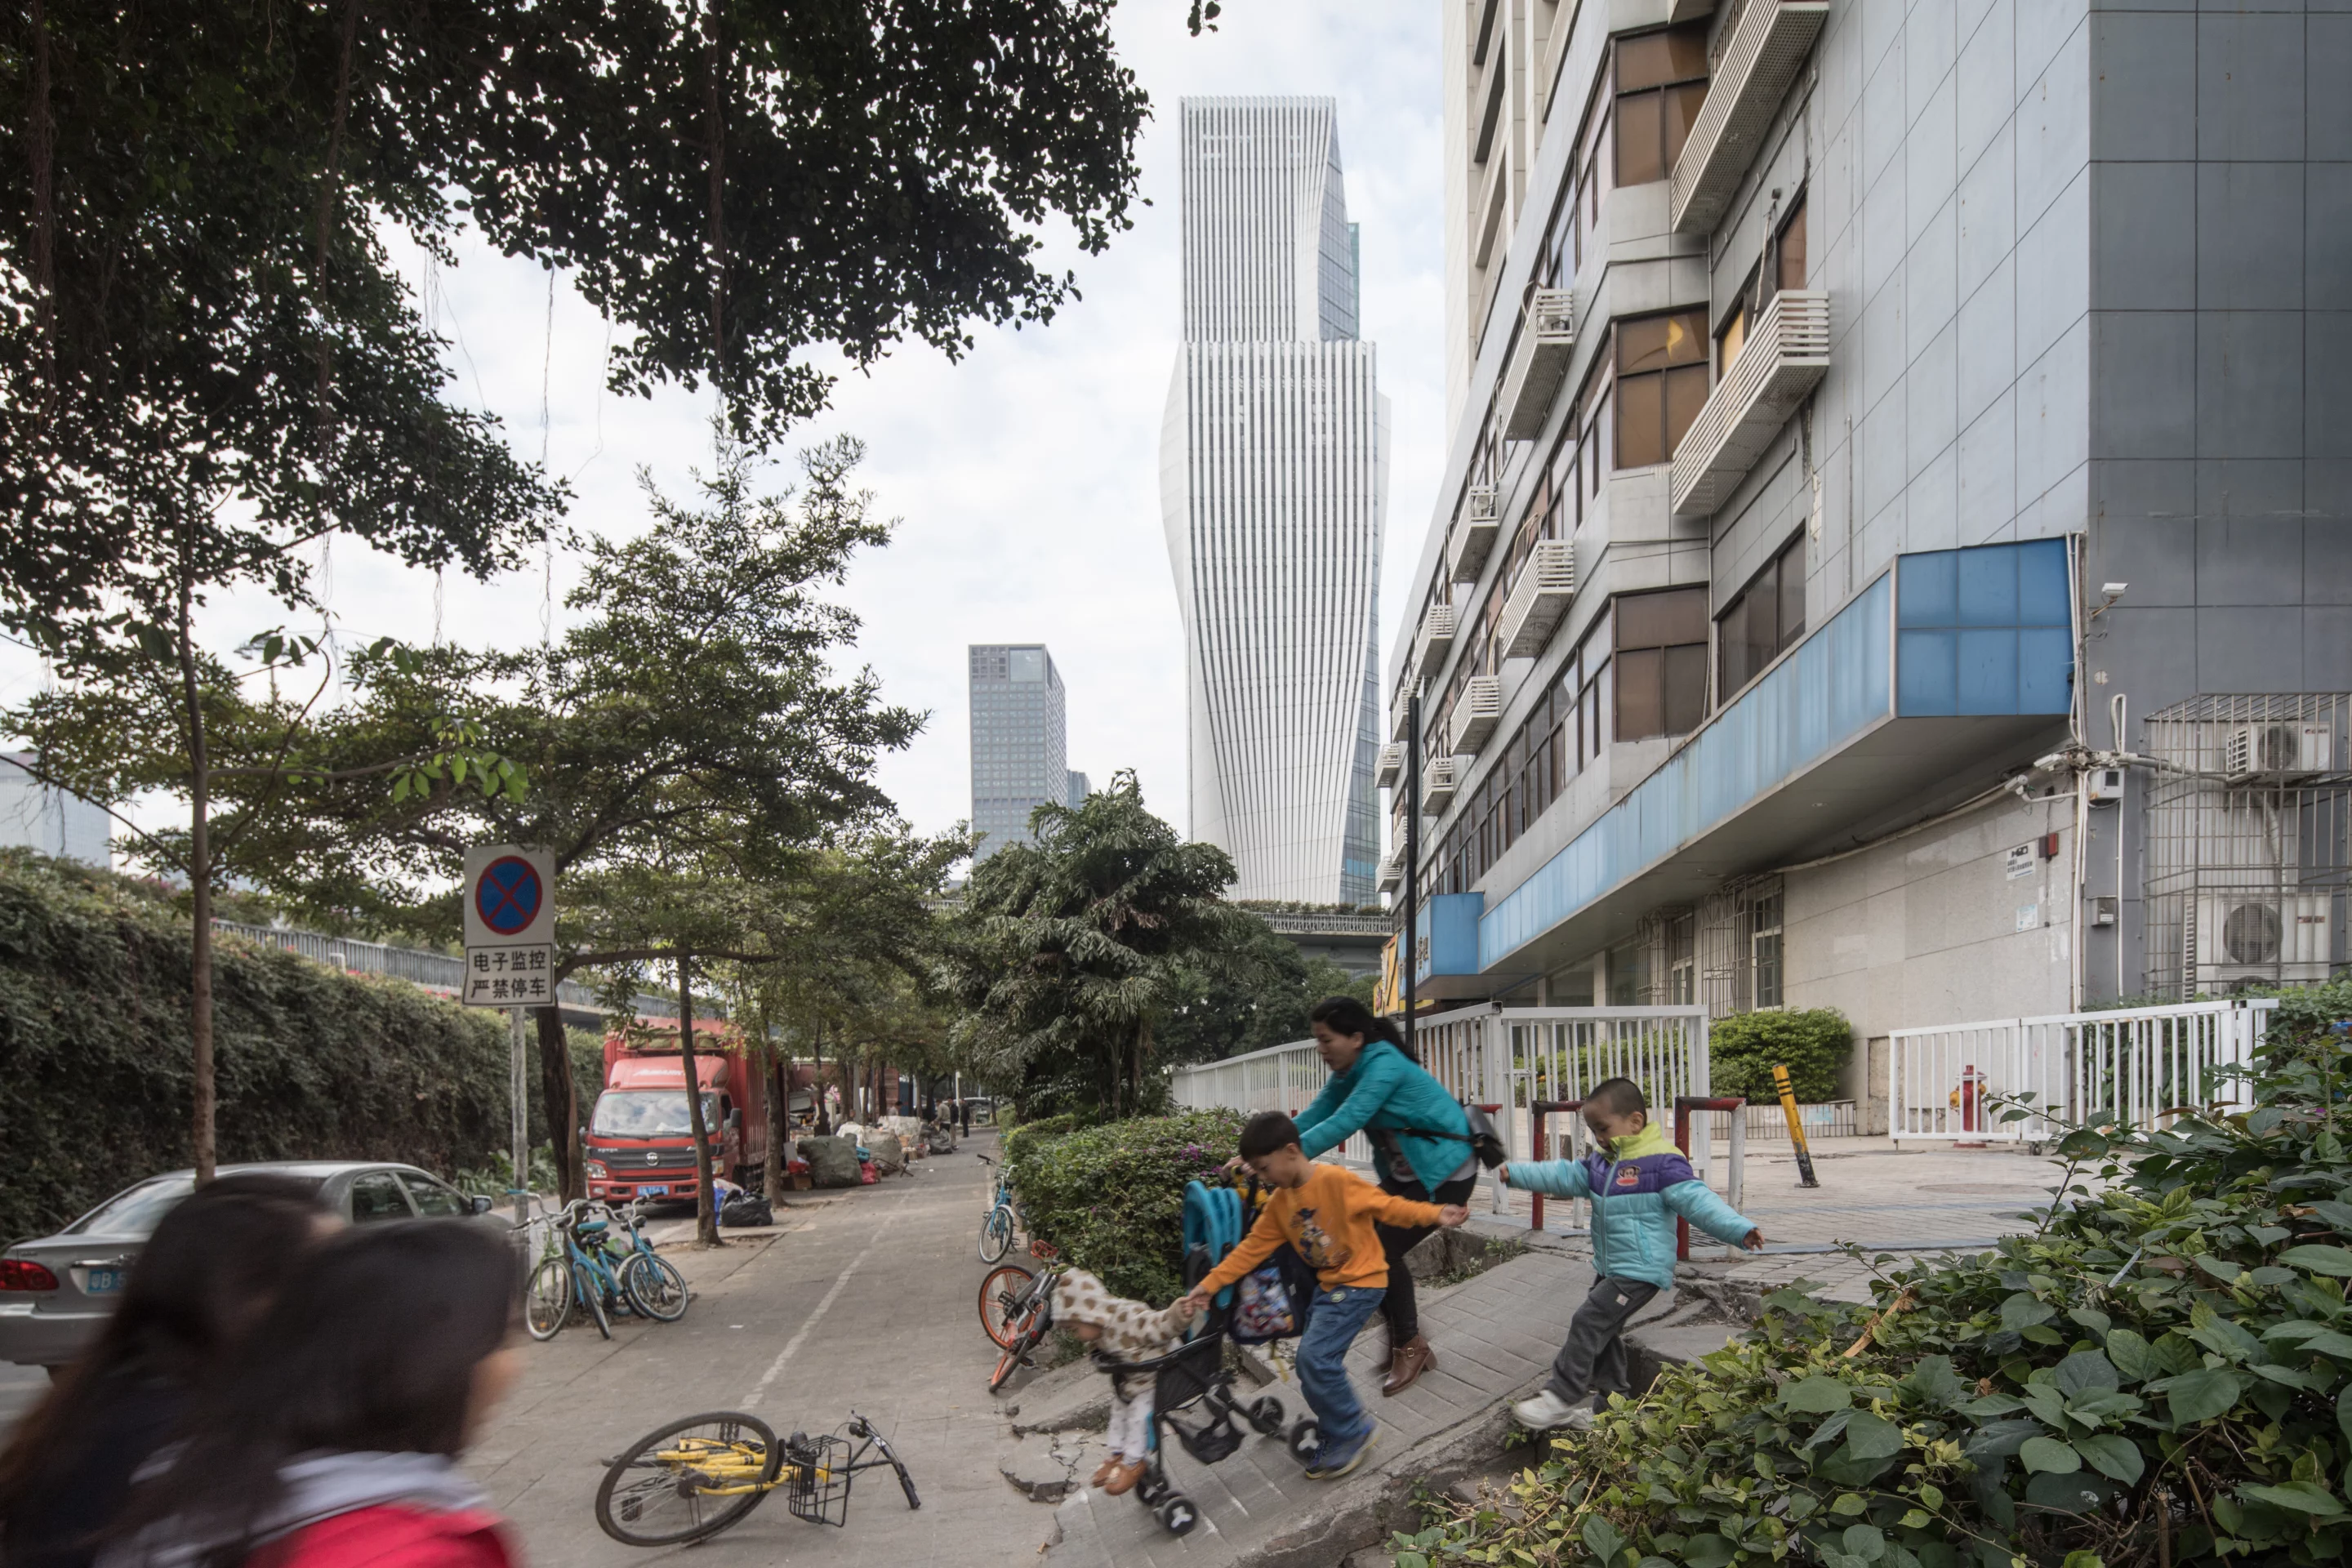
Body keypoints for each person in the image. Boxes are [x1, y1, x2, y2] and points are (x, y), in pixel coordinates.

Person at [104, 1221, 524, 1568]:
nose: (515, 1367)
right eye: (503, 1339)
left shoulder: (185, 1495)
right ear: (431, 1360)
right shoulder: (412, 1552)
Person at [0, 1174, 332, 1568]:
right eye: (326, 1279)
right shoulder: (184, 1443)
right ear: (235, 1297)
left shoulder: (107, 1401)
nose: (350, 1295)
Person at [1178, 1111, 1469, 1481]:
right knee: (1310, 1364)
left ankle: (1353, 1430)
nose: (1264, 1178)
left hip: (1362, 1282)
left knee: (1315, 1358)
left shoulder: (1336, 1181)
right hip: (1330, 1288)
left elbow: (1389, 1206)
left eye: (1265, 1168)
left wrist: (1435, 1213)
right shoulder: (1280, 1204)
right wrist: (1208, 1285)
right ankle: (1337, 1430)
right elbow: (1249, 1251)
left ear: (1290, 1151)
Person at [1499, 1077, 1763, 1432]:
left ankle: (1560, 1396)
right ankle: (1613, 1411)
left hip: (1640, 1270)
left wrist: (1738, 1229)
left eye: (1603, 1128)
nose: (1598, 1137)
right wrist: (1515, 1173)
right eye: (1593, 1130)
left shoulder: (1661, 1163)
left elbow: (1698, 1202)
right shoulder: (1602, 1165)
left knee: (1588, 1321)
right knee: (1603, 1333)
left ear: (1635, 1121)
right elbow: (1562, 1175)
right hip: (1612, 1267)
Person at [1282, 998, 1476, 1396]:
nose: (1321, 1049)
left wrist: (1285, 1161)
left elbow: (1346, 1120)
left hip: (1446, 1173)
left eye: (1326, 1040)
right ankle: (1408, 1341)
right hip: (1408, 1175)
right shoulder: (1348, 1071)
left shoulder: (1383, 1064)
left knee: (1380, 1251)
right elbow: (1316, 1114)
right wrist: (1264, 1149)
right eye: (1317, 1040)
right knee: (1362, 1242)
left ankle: (1410, 1345)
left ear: (1355, 1038)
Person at [1049, 1271, 1187, 1497]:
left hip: (1166, 1376)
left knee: (1138, 1415)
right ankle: (1117, 1455)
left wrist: (1178, 1315)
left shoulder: (1126, 1318)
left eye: (1074, 1329)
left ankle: (1133, 1462)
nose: (1075, 1336)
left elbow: (1158, 1324)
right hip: (1139, 1382)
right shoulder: (1100, 1331)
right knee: (1118, 1409)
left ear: (1089, 1315)